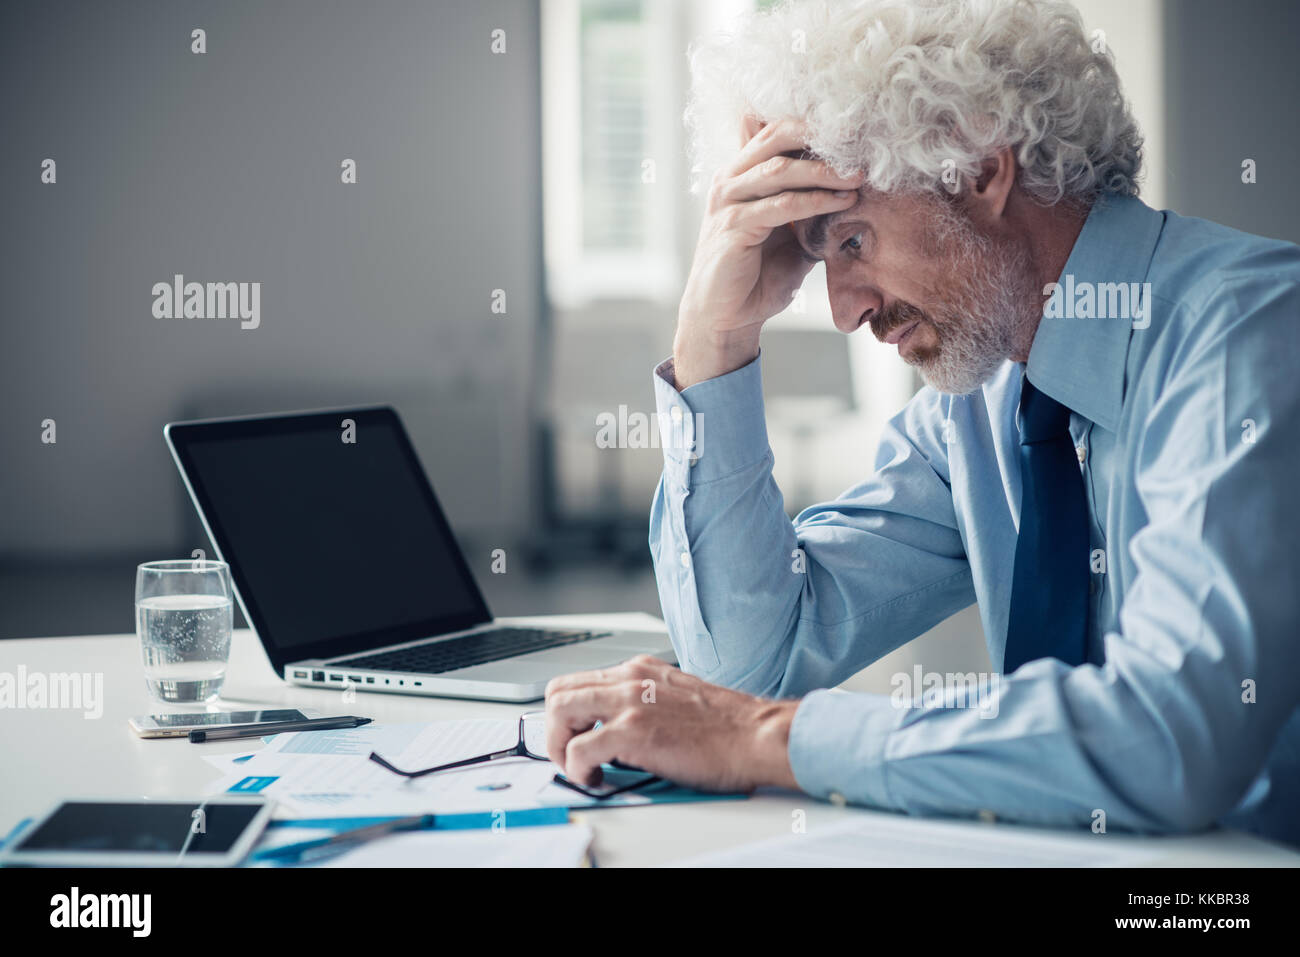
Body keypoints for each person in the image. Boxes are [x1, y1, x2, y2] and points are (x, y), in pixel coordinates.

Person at [543, 0, 1300, 844]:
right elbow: (753, 661)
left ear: (979, 167)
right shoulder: (974, 410)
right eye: (817, 258)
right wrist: (712, 339)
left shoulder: (1249, 337)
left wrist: (764, 740)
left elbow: (1169, 738)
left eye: (852, 242)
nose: (842, 310)